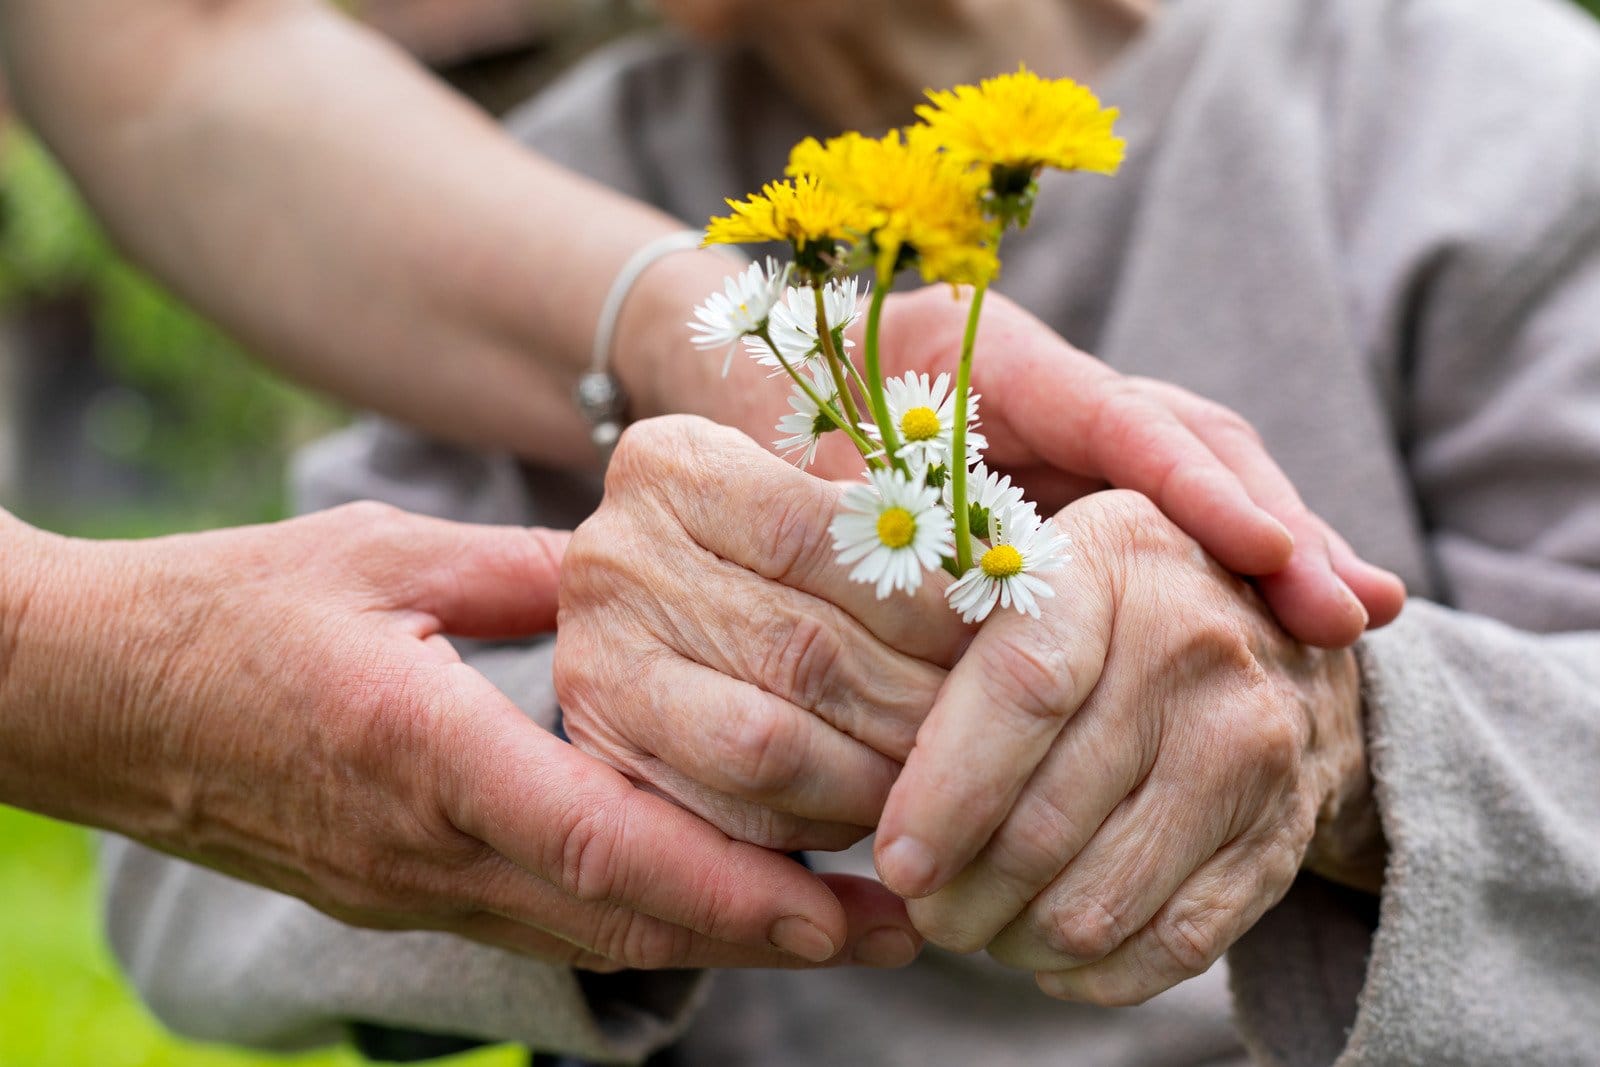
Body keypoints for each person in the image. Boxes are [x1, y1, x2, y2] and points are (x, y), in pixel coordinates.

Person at [101, 0, 1600, 1063]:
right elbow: (184, 885)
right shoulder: (536, 206)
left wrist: (1349, 747)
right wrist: (611, 744)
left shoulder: (1482, 116)